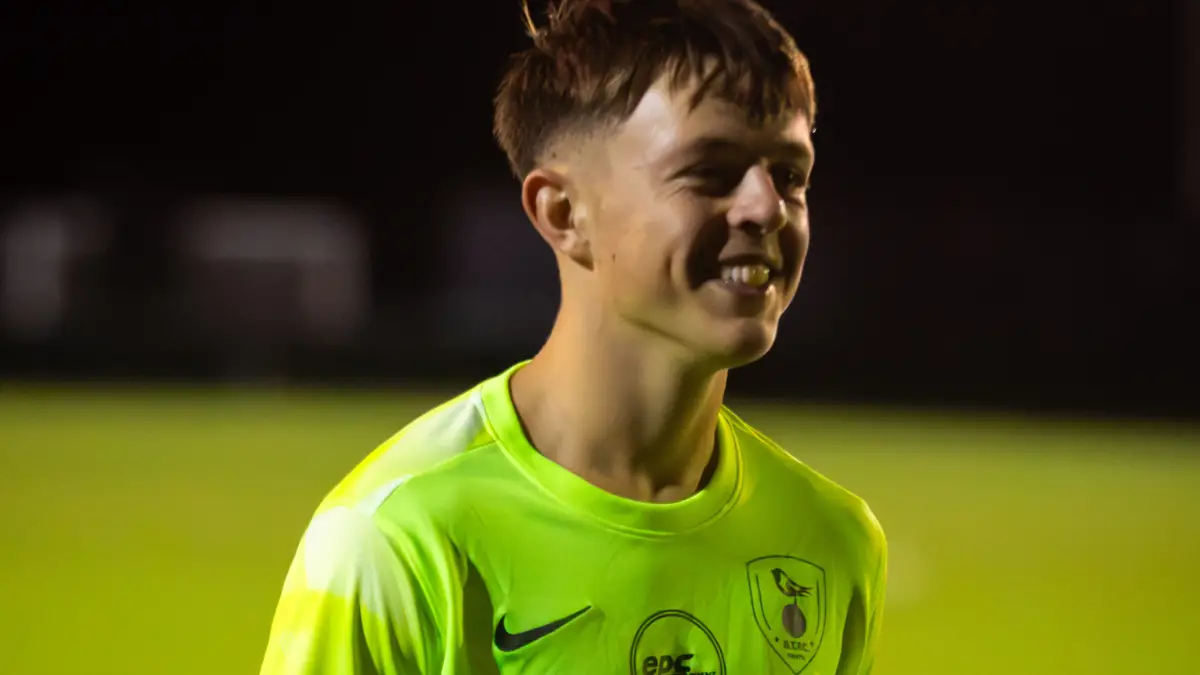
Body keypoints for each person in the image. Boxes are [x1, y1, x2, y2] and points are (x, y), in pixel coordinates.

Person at [259, 1, 886, 673]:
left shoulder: (832, 543)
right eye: (710, 170)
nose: (766, 207)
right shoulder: (395, 539)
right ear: (563, 213)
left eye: (790, 175)